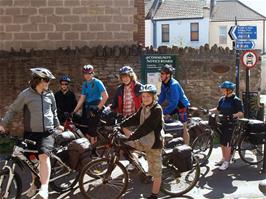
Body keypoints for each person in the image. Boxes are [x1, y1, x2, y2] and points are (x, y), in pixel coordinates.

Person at [0, 67, 64, 199]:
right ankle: (35, 185)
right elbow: (12, 110)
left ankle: (44, 189)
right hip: (30, 134)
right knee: (32, 162)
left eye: (49, 80)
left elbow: (54, 111)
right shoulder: (26, 94)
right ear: (37, 80)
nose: (48, 83)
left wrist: (58, 125)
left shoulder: (50, 94)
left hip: (47, 133)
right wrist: (2, 124)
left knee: (43, 157)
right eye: (46, 80)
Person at [120, 84, 164, 199]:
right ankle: (141, 168)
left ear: (154, 97)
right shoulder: (144, 106)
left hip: (154, 144)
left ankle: (154, 195)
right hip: (145, 140)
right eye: (143, 96)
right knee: (125, 145)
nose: (145, 98)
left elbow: (146, 127)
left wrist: (133, 136)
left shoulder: (157, 109)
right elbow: (135, 117)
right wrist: (122, 124)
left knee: (156, 172)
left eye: (148, 96)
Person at [209, 81, 244, 170]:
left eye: (223, 89)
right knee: (222, 142)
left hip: (231, 124)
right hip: (222, 123)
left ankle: (226, 162)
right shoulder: (222, 99)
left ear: (229, 90)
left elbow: (241, 113)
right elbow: (218, 109)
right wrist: (209, 110)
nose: (222, 90)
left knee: (227, 143)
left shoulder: (236, 100)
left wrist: (232, 115)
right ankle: (224, 158)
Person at [73, 64, 108, 144]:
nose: (87, 75)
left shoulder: (98, 82)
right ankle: (89, 147)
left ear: (93, 73)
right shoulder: (85, 84)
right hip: (87, 107)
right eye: (85, 73)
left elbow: (105, 96)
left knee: (92, 130)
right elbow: (82, 98)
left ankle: (92, 150)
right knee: (85, 127)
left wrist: (97, 108)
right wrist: (74, 111)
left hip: (96, 106)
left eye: (89, 73)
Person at [158, 64, 190, 144]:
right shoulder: (164, 84)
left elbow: (174, 102)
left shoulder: (174, 85)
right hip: (174, 105)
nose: (160, 75)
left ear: (168, 75)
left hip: (181, 105)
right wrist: (155, 105)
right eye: (160, 73)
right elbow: (162, 96)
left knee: (183, 127)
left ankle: (187, 147)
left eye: (162, 73)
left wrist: (164, 112)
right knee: (164, 121)